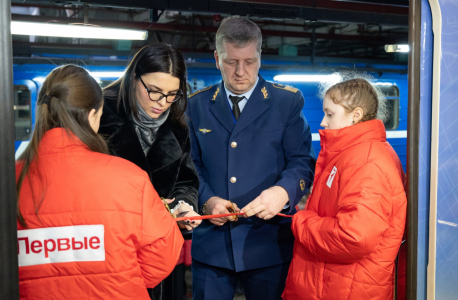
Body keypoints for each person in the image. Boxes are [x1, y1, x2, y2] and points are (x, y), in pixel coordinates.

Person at [16, 65, 183, 300]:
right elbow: (162, 254)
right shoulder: (129, 177)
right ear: (93, 115)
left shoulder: (11, 180)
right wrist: (124, 277)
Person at [186, 16, 316, 300]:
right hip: (212, 245)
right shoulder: (195, 105)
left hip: (269, 243)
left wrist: (283, 192)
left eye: (250, 61)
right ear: (217, 58)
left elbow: (301, 162)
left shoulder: (287, 102)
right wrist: (207, 199)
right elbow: (190, 166)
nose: (241, 72)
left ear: (260, 56)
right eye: (231, 62)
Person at [282, 78, 407, 300]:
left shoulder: (367, 162)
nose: (323, 122)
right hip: (335, 284)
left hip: (348, 288)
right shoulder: (352, 154)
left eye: (330, 114)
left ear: (355, 114)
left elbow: (352, 237)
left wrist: (300, 221)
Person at [99, 43, 201, 300]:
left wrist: (183, 206)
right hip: (111, 248)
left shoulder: (178, 124)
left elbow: (186, 181)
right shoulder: (98, 115)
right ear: (134, 78)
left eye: (172, 94)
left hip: (161, 251)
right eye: (154, 91)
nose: (162, 103)